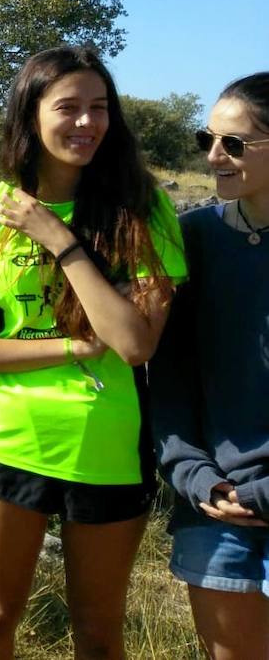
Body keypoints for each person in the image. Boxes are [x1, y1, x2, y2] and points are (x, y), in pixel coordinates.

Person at [0, 46, 186, 660]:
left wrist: (58, 237)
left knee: (99, 630)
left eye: (99, 108)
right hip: (7, 440)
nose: (86, 123)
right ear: (30, 116)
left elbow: (132, 343)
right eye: (68, 107)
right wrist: (75, 343)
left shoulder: (143, 212)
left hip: (107, 446)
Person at [150, 72, 269, 660]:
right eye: (207, 140)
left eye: (235, 144)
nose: (214, 155)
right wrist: (196, 476)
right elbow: (169, 377)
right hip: (215, 505)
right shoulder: (192, 237)